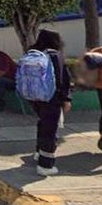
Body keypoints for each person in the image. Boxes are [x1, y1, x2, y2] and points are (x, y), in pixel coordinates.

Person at [27, 29, 71, 177]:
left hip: (35, 97)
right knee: (50, 130)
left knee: (42, 124)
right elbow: (62, 79)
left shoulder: (33, 54)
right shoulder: (55, 55)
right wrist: (66, 99)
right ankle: (45, 165)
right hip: (51, 98)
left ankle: (39, 152)